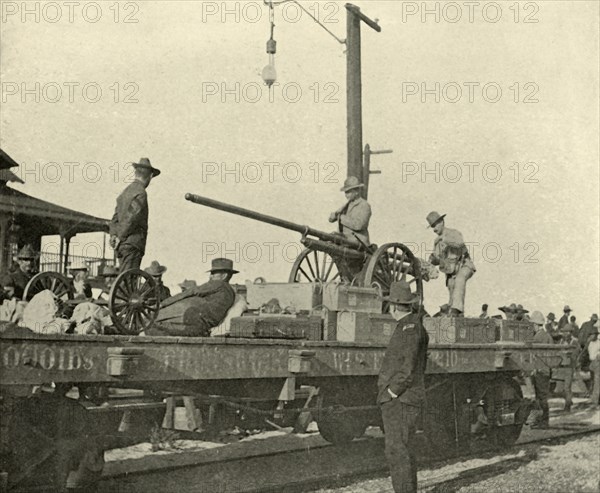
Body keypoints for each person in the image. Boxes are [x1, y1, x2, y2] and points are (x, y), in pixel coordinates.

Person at [378, 281, 428, 493]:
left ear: (393, 307)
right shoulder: (414, 325)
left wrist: (391, 393)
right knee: (404, 449)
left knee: (397, 450)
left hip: (401, 400)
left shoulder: (408, 328)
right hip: (406, 399)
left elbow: (406, 369)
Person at [148, 258, 238, 337]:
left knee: (150, 323)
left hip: (191, 319)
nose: (210, 276)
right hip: (199, 328)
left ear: (224, 275)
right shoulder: (230, 292)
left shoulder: (219, 284)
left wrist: (162, 304)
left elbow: (192, 291)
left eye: (213, 273)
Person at [110, 158, 160, 273]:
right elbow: (131, 217)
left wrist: (114, 236)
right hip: (133, 244)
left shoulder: (124, 192)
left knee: (124, 280)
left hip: (121, 246)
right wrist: (120, 237)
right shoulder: (141, 193)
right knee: (128, 282)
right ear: (150, 176)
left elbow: (114, 219)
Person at [426, 211, 475, 317]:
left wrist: (444, 239)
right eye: (432, 227)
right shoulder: (437, 242)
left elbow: (459, 243)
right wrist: (431, 261)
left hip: (464, 265)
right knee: (452, 288)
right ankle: (457, 314)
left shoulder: (453, 233)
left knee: (460, 279)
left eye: (435, 225)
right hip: (451, 271)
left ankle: (456, 310)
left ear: (442, 222)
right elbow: (438, 258)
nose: (434, 229)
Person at [328, 176, 371, 247]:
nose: (346, 195)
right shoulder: (347, 205)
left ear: (356, 192)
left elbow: (359, 225)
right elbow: (331, 218)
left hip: (358, 242)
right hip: (345, 240)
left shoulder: (365, 205)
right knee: (328, 240)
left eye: (348, 192)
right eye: (345, 192)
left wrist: (341, 217)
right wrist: (334, 216)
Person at [530, 310, 554, 428]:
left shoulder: (537, 337)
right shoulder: (548, 336)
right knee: (542, 397)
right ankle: (543, 421)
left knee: (540, 397)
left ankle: (543, 421)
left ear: (535, 325)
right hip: (546, 371)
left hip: (539, 371)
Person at [560, 326, 580, 411]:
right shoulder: (562, 341)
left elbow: (575, 354)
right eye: (564, 332)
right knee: (563, 387)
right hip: (562, 365)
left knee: (567, 386)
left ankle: (567, 405)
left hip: (569, 365)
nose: (564, 334)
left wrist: (567, 353)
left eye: (566, 332)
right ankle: (569, 400)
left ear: (570, 332)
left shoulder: (574, 342)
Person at [586, 323, 600, 407]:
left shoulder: (598, 343)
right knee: (592, 381)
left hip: (597, 362)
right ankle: (594, 399)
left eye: (594, 334)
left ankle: (595, 401)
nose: (592, 336)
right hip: (592, 363)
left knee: (597, 382)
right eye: (591, 335)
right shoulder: (590, 343)